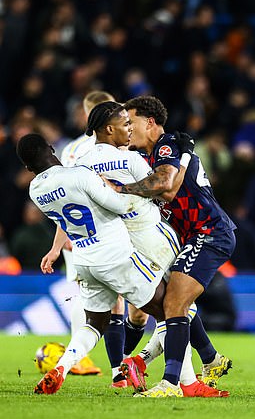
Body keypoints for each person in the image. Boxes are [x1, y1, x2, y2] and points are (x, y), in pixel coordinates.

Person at [18, 132, 164, 395]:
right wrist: (143, 191)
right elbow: (118, 206)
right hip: (114, 255)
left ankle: (61, 368)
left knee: (94, 324)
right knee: (171, 311)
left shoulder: (35, 189)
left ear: (28, 168)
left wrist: (54, 249)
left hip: (83, 259)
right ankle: (148, 368)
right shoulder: (80, 174)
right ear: (52, 148)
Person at [111, 96, 236, 397]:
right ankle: (201, 365)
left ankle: (171, 383)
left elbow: (164, 186)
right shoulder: (162, 154)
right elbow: (167, 188)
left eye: (132, 122)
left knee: (174, 304)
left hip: (209, 232)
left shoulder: (167, 145)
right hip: (193, 236)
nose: (129, 129)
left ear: (150, 122)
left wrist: (119, 189)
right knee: (173, 304)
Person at [56, 90, 148, 380]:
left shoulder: (73, 151)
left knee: (102, 306)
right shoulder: (123, 151)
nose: (128, 125)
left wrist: (62, 237)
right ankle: (137, 372)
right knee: (157, 307)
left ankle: (100, 365)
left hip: (83, 236)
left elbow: (64, 195)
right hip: (121, 236)